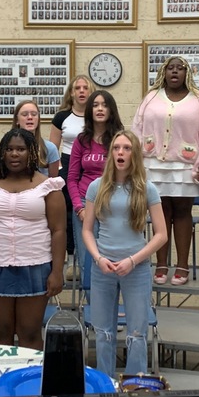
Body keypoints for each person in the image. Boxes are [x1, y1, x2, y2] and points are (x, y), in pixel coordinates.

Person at [0, 129, 66, 350]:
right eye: (9, 149)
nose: (14, 154)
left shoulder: (49, 186)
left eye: (20, 149)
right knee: (0, 332)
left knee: (29, 333)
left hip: (35, 265)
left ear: (31, 153)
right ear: (2, 153)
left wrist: (57, 271)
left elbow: (58, 230)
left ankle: (30, 383)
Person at [82, 131, 167, 376]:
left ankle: (135, 385)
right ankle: (105, 386)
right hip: (103, 267)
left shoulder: (147, 188)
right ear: (111, 154)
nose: (121, 152)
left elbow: (161, 234)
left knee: (137, 333)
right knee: (103, 332)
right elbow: (88, 230)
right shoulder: (96, 187)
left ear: (135, 154)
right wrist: (98, 258)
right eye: (117, 148)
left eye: (127, 148)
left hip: (136, 268)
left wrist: (133, 260)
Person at [132, 56, 199, 286]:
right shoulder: (150, 99)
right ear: (163, 72)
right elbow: (136, 130)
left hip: (186, 167)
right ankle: (161, 263)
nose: (175, 72)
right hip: (154, 165)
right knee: (160, 213)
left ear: (187, 73)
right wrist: (134, 162)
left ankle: (182, 265)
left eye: (180, 68)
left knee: (182, 213)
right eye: (171, 68)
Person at [67, 91, 123, 282]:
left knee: (113, 259)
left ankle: (113, 307)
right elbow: (72, 178)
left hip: (114, 205)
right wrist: (79, 207)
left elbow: (129, 175)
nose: (100, 109)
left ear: (111, 109)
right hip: (85, 204)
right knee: (88, 261)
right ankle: (92, 308)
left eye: (105, 105)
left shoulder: (119, 139)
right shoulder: (81, 140)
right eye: (95, 105)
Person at [50, 75, 92, 263]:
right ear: (72, 93)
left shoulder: (96, 115)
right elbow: (53, 148)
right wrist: (59, 170)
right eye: (78, 88)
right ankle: (71, 256)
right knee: (68, 211)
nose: (81, 91)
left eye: (85, 88)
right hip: (67, 164)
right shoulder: (61, 117)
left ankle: (90, 255)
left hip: (90, 165)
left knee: (88, 209)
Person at [13, 100, 59, 177]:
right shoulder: (7, 146)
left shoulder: (50, 148)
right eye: (24, 114)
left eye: (34, 114)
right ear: (17, 120)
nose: (30, 117)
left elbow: (53, 183)